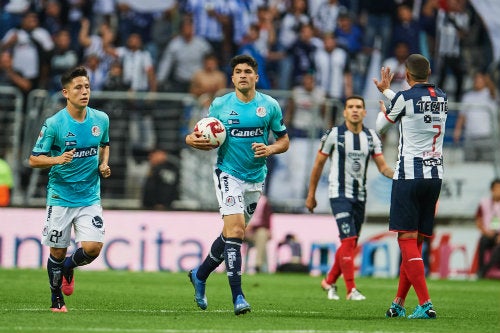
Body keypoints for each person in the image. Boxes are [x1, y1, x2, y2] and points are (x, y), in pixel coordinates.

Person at [185, 54, 289, 315]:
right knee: (236, 232)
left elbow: (284, 140)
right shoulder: (220, 104)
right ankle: (238, 296)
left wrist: (270, 148)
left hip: (256, 177)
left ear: (256, 76)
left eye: (248, 71)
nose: (243, 75)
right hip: (227, 173)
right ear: (232, 78)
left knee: (232, 232)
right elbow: (198, 132)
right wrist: (191, 140)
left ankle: (200, 273)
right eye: (238, 72)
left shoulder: (269, 106)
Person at [28, 66, 111, 312]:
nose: (84, 91)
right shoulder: (54, 124)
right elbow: (34, 159)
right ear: (66, 92)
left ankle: (68, 268)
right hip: (60, 195)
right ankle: (56, 300)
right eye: (78, 87)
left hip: (89, 195)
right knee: (57, 250)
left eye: (87, 86)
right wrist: (57, 159)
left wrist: (104, 164)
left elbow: (104, 144)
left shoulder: (101, 119)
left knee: (93, 249)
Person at [373, 54, 447, 319]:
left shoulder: (404, 99)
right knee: (414, 243)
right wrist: (390, 93)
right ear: (428, 71)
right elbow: (414, 104)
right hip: (435, 177)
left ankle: (426, 303)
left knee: (405, 239)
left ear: (407, 74)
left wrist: (386, 104)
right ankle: (398, 303)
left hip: (408, 175)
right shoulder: (442, 97)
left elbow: (381, 127)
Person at [305, 95, 394, 301]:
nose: (354, 110)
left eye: (359, 107)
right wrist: (311, 195)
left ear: (364, 112)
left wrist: (397, 174)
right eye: (350, 107)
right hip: (339, 194)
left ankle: (329, 281)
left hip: (360, 196)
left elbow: (382, 166)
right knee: (349, 239)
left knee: (349, 244)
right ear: (344, 112)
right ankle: (351, 289)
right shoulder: (334, 135)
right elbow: (318, 164)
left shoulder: (372, 137)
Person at [452, 71, 497, 162]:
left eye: (479, 79)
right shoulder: (467, 96)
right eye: (475, 80)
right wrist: (457, 131)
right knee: (469, 164)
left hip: (486, 136)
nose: (477, 82)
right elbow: (462, 116)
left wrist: (488, 80)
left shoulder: (490, 94)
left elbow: (494, 93)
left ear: (484, 81)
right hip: (470, 136)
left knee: (487, 165)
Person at [475, 178, 500, 278]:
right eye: (497, 188)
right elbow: (478, 221)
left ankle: (484, 270)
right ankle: (480, 268)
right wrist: (485, 232)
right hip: (488, 233)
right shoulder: (484, 203)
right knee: (483, 241)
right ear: (492, 190)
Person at [244, 194, 273, 273]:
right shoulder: (239, 197)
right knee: (228, 233)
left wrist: (252, 226)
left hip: (255, 232)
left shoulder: (263, 201)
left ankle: (258, 265)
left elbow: (266, 222)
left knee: (262, 234)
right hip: (240, 230)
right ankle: (226, 265)